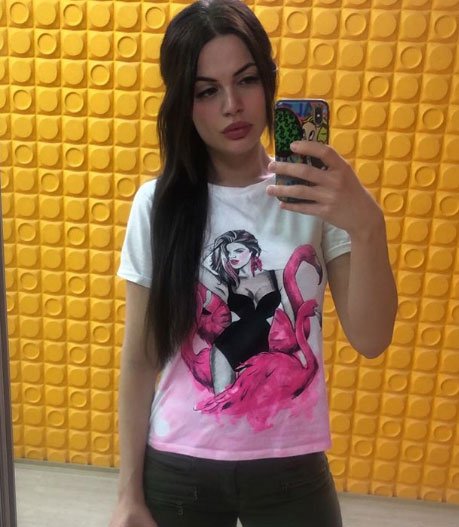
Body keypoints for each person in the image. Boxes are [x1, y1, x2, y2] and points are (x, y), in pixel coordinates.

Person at [109, 1, 398, 526]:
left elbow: (372, 338)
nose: (232, 106)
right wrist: (128, 493)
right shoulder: (159, 205)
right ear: (184, 103)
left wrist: (367, 224)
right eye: (207, 91)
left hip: (292, 469)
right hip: (179, 468)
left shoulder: (316, 196)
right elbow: (141, 358)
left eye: (245, 80)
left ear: (269, 82)